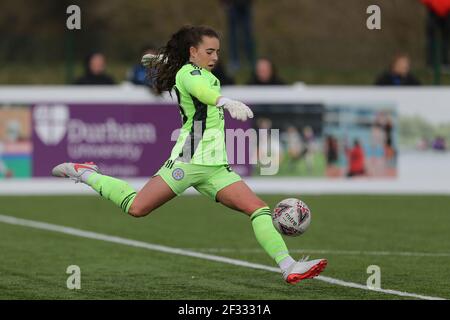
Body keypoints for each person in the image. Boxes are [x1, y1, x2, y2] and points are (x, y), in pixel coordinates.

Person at [52, 25, 327, 284]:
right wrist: (225, 101)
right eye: (209, 51)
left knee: (258, 209)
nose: (215, 57)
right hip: (188, 160)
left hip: (216, 167)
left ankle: (289, 266)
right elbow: (201, 92)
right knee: (137, 208)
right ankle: (87, 173)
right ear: (193, 52)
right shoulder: (189, 75)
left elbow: (201, 85)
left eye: (217, 51)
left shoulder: (203, 74)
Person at [421, 0, 450, 67]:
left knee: (446, 38)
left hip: (448, 10)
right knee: (431, 37)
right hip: (433, 8)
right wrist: (432, 3)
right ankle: (431, 63)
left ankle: (444, 62)